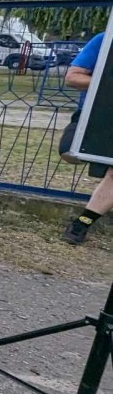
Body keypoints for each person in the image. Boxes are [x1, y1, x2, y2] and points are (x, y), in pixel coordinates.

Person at [60, 32, 110, 244]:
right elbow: (72, 77)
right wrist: (108, 85)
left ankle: (81, 224)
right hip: (94, 116)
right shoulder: (105, 40)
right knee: (68, 151)